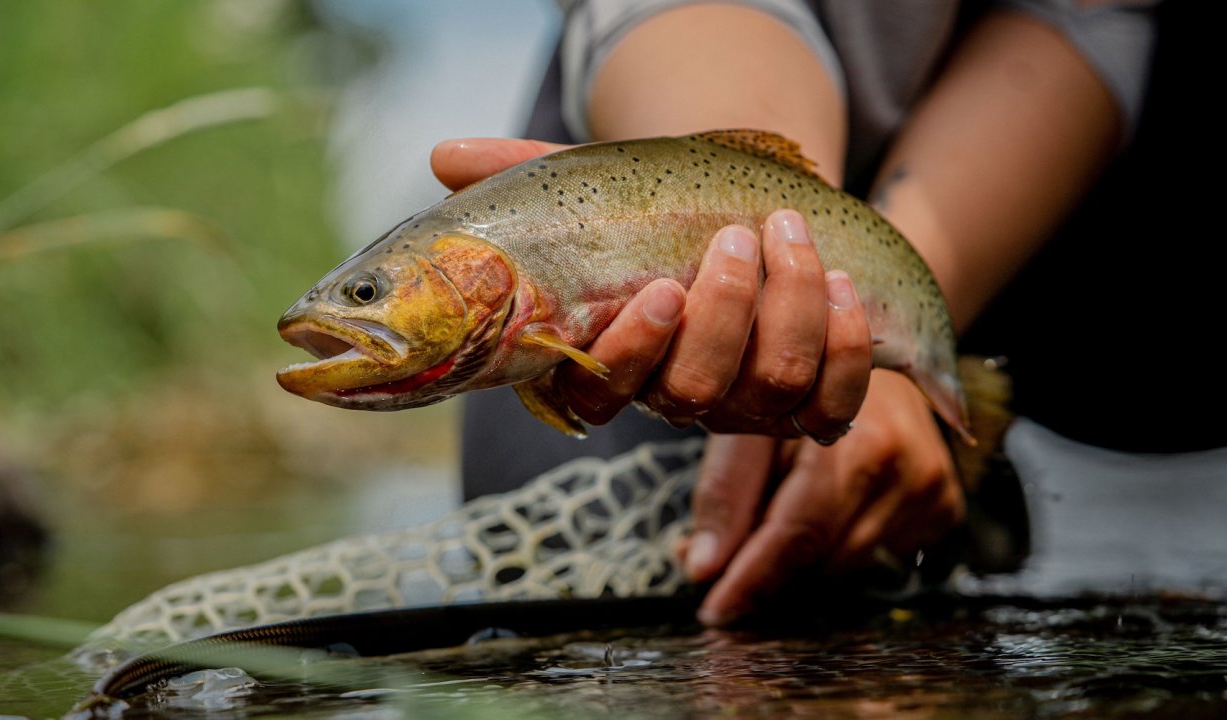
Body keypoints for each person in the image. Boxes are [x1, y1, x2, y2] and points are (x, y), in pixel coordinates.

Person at [430, 1, 1208, 626]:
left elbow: (1091, 12)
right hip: (647, 109)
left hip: (1038, 185)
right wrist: (749, 260)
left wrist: (870, 332)